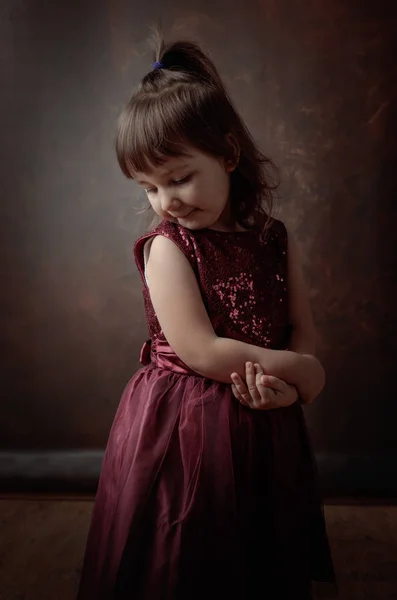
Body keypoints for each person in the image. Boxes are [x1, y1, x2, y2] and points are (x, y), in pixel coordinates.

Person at [77, 33, 337, 600]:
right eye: (148, 187)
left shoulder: (274, 240)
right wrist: (303, 373)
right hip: (187, 426)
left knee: (257, 544)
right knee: (189, 552)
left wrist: (289, 388)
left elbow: (303, 328)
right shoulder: (167, 248)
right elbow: (201, 351)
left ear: (228, 153)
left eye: (178, 177)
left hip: (266, 411)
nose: (166, 201)